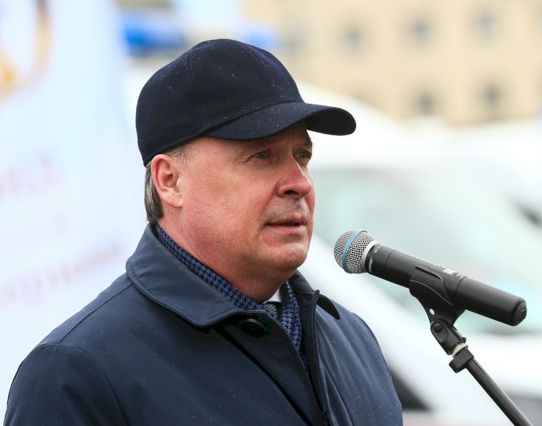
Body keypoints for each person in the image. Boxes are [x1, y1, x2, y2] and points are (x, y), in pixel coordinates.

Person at [5, 39, 402, 425]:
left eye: (302, 156)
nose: (299, 183)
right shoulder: (76, 375)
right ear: (170, 180)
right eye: (262, 156)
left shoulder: (352, 339)